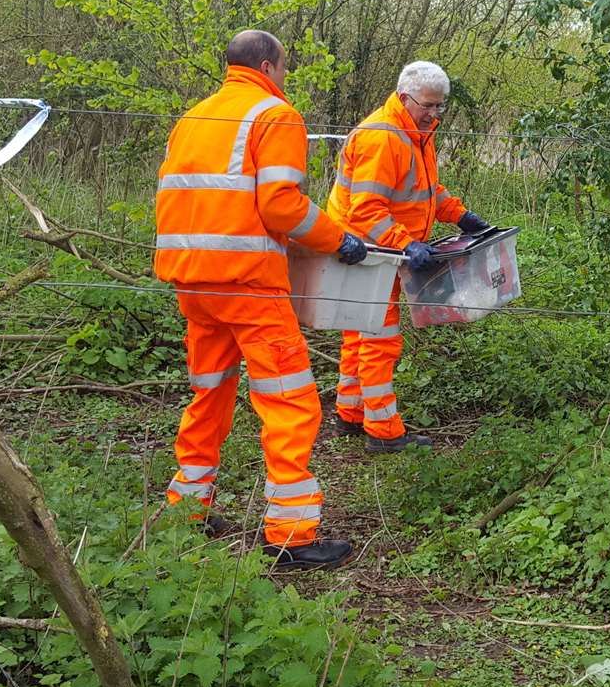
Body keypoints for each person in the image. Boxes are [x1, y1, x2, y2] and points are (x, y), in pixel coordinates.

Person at [154, 29, 368, 569]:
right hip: (248, 284)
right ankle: (291, 534)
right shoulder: (274, 115)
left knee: (211, 393)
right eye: (285, 69)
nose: (285, 79)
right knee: (290, 402)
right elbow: (281, 207)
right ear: (270, 66)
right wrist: (337, 238)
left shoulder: (196, 117)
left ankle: (188, 508)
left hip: (193, 283)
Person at [325, 61, 490, 453]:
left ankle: (350, 413)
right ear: (404, 98)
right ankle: (382, 432)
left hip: (380, 250)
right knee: (380, 338)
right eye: (428, 105)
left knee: (359, 332)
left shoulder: (416, 132)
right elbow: (366, 209)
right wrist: (406, 243)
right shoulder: (383, 137)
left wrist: (460, 215)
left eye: (440, 106)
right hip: (366, 252)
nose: (435, 114)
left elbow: (426, 189)